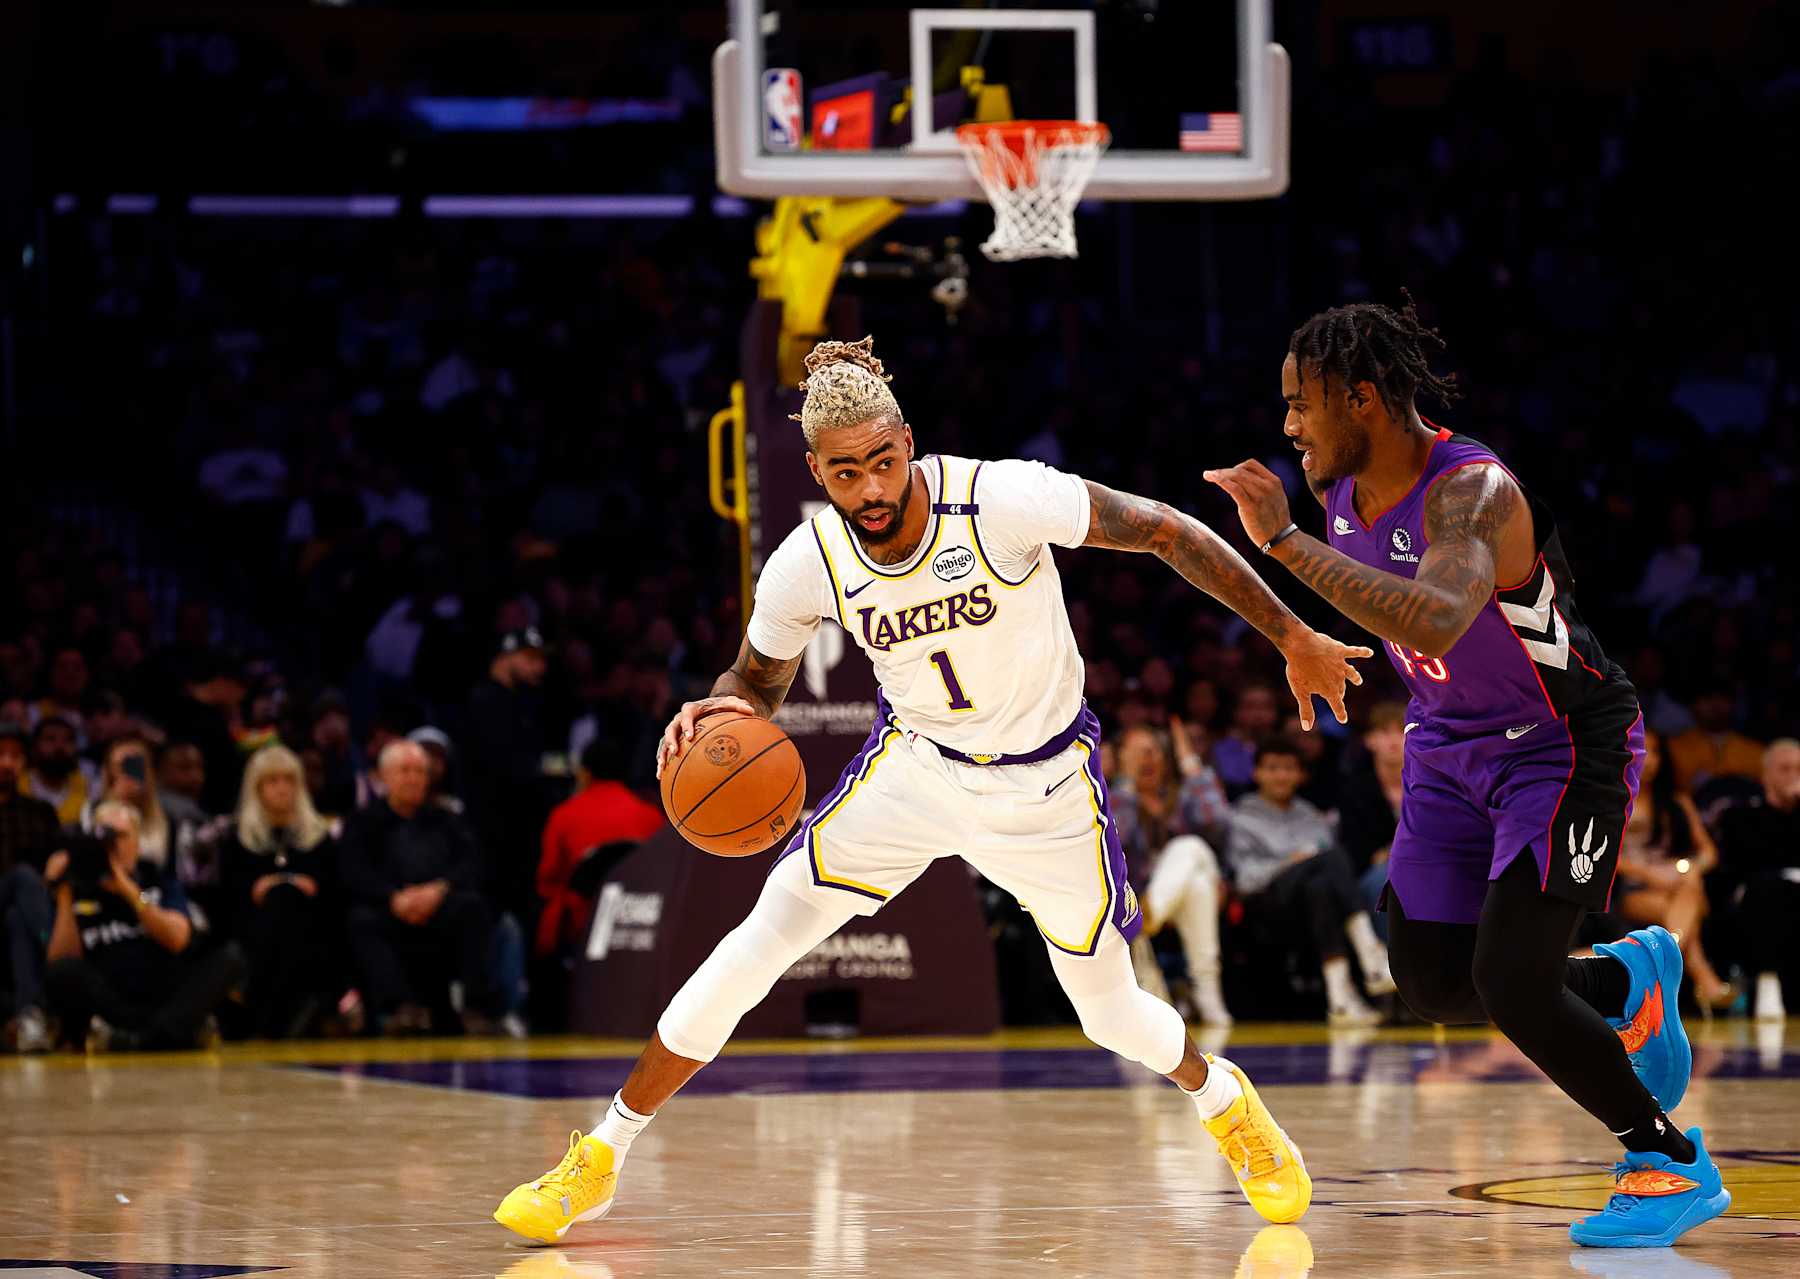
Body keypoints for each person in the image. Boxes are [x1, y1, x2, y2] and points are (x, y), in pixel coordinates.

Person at [493, 334, 1372, 1242]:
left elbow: (1164, 529)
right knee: (750, 947)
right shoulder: (810, 559)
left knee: (1109, 1016)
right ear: (815, 471)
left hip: (1047, 789)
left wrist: (1289, 632)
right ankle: (599, 1155)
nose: (869, 488)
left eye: (881, 461)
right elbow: (754, 685)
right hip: (915, 773)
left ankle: (1219, 1094)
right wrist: (712, 713)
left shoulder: (1000, 499)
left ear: (907, 441)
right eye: (845, 474)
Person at [1205, 295, 1727, 1247]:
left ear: (1361, 398)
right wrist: (1304, 637)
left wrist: (1283, 545)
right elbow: (1395, 621)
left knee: (1513, 981)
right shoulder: (1339, 493)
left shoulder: (1474, 491)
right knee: (1438, 983)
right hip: (1446, 747)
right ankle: (1625, 982)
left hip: (1561, 741)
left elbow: (1438, 617)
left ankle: (1665, 1159)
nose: (1286, 427)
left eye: (1300, 405)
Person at [43, 800, 246, 1051]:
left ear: (138, 843)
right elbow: (60, 960)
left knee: (230, 958)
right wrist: (63, 893)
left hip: (167, 994)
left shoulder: (158, 880)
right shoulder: (82, 887)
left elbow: (178, 938)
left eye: (122, 836)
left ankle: (133, 1039)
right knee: (61, 972)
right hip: (114, 1002)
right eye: (105, 836)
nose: (113, 844)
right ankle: (172, 1035)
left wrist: (128, 890)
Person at [1225, 737, 1393, 1026]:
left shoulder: (1310, 815)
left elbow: (1330, 878)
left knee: (1321, 888)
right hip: (1266, 907)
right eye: (1272, 768)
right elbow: (1245, 879)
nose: (1281, 776)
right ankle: (1372, 953)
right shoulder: (1241, 816)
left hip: (1310, 907)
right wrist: (1291, 863)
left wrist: (1305, 864)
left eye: (1289, 768)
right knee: (1329, 857)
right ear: (1257, 774)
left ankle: (1340, 999)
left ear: (1301, 775)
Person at [340, 739, 500, 1036]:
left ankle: (475, 1008)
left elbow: (471, 864)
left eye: (419, 771)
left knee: (473, 908)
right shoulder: (363, 822)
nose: (413, 778)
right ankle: (398, 1010)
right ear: (385, 776)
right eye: (405, 770)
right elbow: (354, 871)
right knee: (361, 920)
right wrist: (392, 897)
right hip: (388, 907)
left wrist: (438, 890)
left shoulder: (447, 819)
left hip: (439, 905)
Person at [1110, 723, 1232, 1026]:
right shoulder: (1113, 800)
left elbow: (1217, 822)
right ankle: (1208, 994)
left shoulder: (1181, 797)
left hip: (1158, 907)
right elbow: (1116, 839)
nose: (1148, 758)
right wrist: (1125, 785)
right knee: (1199, 883)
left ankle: (1145, 921)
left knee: (1191, 849)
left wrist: (1191, 764)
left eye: (1154, 750)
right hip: (1135, 896)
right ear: (1121, 760)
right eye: (1138, 752)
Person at [221, 745, 339, 1039]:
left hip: (313, 930)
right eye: (272, 782)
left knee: (290, 904)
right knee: (277, 905)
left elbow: (333, 892)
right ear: (256, 788)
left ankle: (294, 1011)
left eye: (289, 781)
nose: (282, 789)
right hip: (255, 931)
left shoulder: (319, 838)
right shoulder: (237, 839)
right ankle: (274, 1012)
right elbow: (230, 897)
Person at [1613, 728, 1732, 1008]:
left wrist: (1688, 867)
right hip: (1630, 888)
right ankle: (1704, 978)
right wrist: (1649, 875)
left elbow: (1708, 853)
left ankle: (1669, 962)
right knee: (1687, 897)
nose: (1649, 759)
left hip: (1674, 886)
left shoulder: (1678, 802)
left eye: (1655, 751)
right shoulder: (1613, 800)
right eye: (1642, 749)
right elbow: (1607, 857)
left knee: (1689, 886)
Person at [536, 738, 664, 959]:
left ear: (585, 773)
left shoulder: (564, 815)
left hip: (583, 929)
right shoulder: (651, 816)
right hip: (642, 925)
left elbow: (547, 883)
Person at [465, 628, 551, 919]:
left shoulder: (526, 702)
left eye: (541, 659)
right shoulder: (483, 701)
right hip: (491, 836)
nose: (540, 667)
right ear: (504, 657)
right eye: (530, 658)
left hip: (521, 833)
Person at [1715, 738, 1800, 1022]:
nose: (1793, 776)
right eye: (1785, 769)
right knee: (1769, 887)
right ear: (1766, 775)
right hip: (1757, 903)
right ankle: (1767, 981)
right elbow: (1749, 864)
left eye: (1799, 769)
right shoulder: (1740, 816)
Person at [0, 723, 59, 1052]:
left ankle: (30, 1016)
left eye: (15, 756)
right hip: (21, 899)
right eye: (1, 753)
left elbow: (54, 870)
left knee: (17, 917)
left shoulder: (41, 813)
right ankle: (53, 955)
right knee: (22, 875)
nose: (7, 762)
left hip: (25, 910)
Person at [1337, 702, 1407, 937]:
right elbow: (1356, 852)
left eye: (1401, 730)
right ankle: (1388, 964)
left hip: (1424, 861)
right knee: (1386, 881)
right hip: (1372, 873)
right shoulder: (1355, 790)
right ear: (1370, 740)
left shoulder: (1431, 784)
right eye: (1385, 732)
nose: (1394, 740)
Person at [1666, 683, 1764, 795]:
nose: (1715, 705)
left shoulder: (1755, 751)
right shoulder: (1674, 747)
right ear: (1694, 705)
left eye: (1722, 699)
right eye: (1707, 699)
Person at [23, 717, 94, 828]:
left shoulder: (88, 787)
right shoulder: (18, 784)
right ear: (34, 748)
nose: (59, 746)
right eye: (50, 739)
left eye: (67, 740)